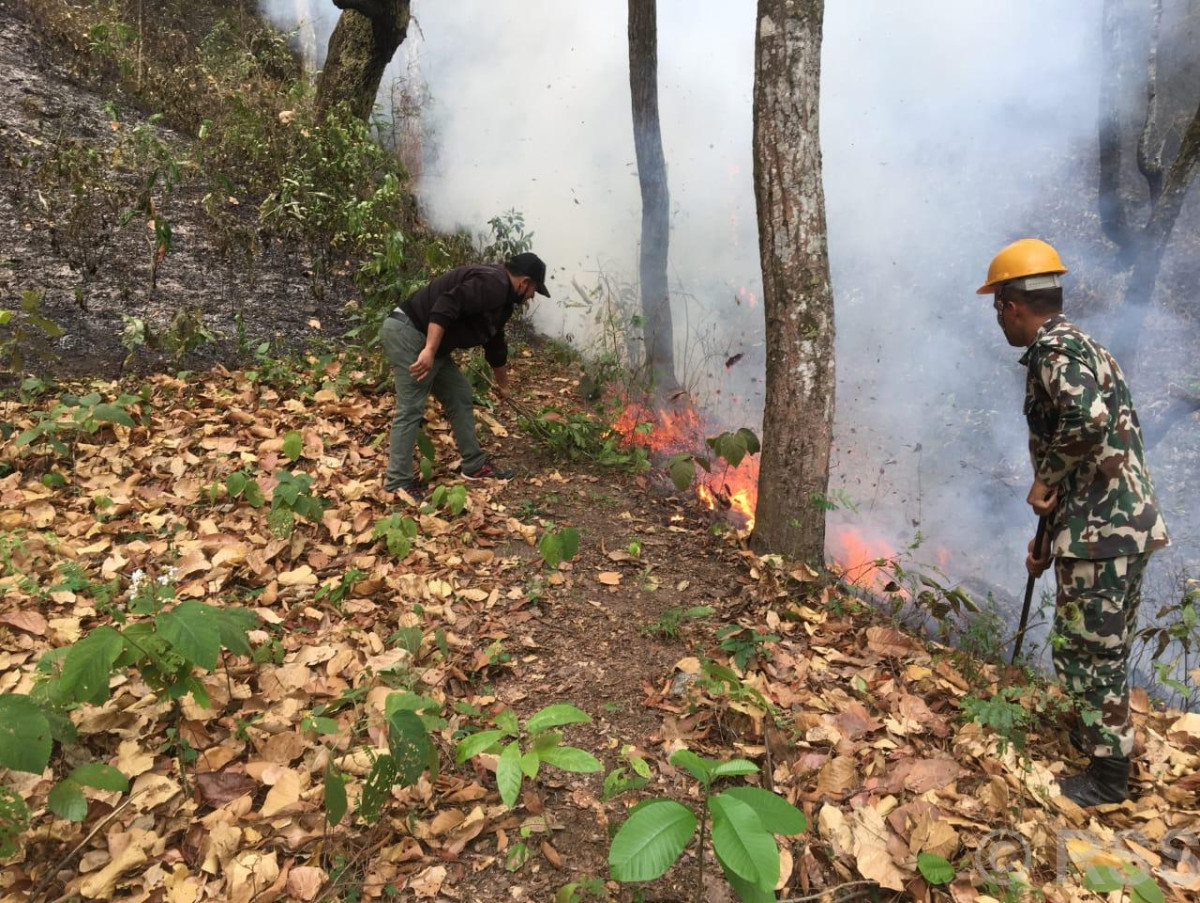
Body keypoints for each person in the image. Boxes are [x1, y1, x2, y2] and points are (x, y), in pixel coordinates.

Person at [977, 237, 1169, 806]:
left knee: (1088, 651)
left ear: (1014, 305)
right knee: (1097, 643)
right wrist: (1046, 539)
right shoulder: (1086, 346)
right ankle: (1096, 740)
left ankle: (1107, 779)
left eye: (998, 308)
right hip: (1111, 527)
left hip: (1104, 533)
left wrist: (1045, 480)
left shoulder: (1054, 354)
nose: (999, 321)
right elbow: (1092, 450)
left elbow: (1086, 424)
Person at [380, 252, 550, 498]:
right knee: (411, 406)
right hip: (409, 333)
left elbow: (495, 343)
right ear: (524, 282)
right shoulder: (494, 283)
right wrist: (428, 349)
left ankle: (474, 465)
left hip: (430, 345)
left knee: (460, 393)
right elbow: (445, 305)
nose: (533, 295)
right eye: (534, 288)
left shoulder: (502, 300)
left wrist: (503, 386)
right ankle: (398, 482)